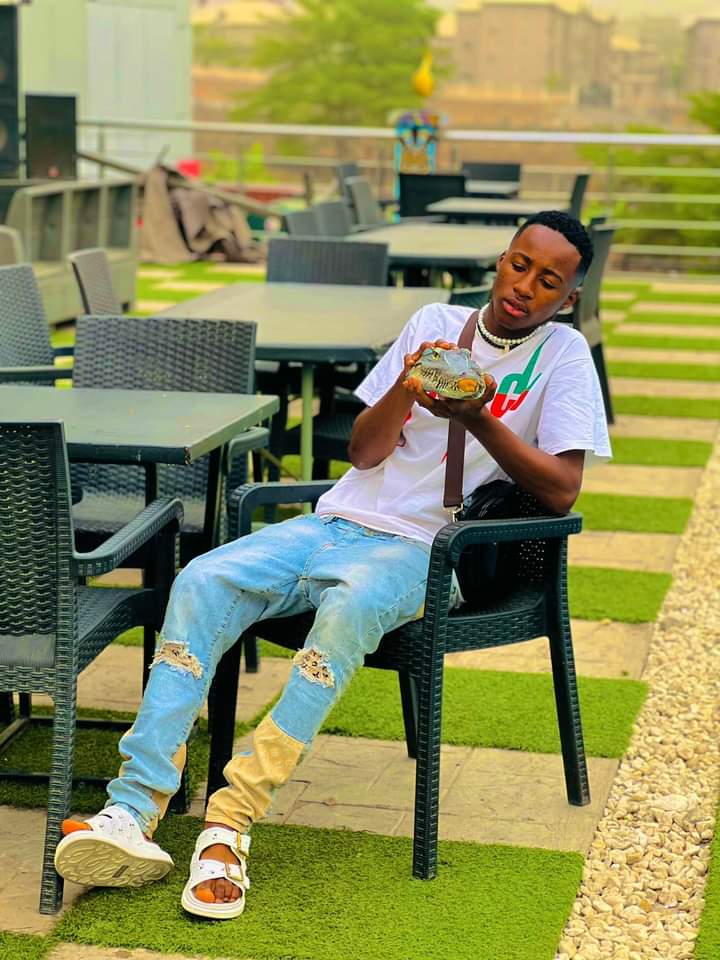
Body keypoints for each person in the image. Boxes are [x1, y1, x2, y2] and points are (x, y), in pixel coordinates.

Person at [54, 210, 611, 919]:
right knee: (201, 578)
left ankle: (229, 822)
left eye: (548, 282)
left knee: (348, 610)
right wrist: (408, 387)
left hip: (428, 550)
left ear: (567, 297)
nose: (525, 287)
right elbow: (362, 453)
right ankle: (132, 811)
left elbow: (562, 489)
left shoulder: (563, 355)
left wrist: (478, 417)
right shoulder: (435, 323)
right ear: (501, 261)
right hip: (333, 522)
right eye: (520, 266)